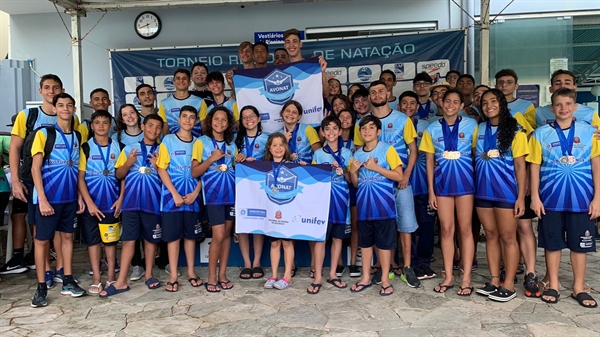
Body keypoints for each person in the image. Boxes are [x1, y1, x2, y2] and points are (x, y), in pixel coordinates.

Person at [5, 75, 80, 286]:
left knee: (61, 230)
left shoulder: (71, 119)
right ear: (40, 91)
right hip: (33, 182)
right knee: (41, 228)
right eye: (47, 87)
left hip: (62, 186)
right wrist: (17, 181)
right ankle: (45, 269)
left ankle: (61, 269)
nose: (51, 91)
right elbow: (14, 148)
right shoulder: (28, 115)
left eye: (55, 87)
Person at [528, 88, 598, 309]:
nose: (563, 108)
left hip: (582, 199)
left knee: (580, 245)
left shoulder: (590, 132)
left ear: (575, 106)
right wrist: (535, 198)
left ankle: (578, 286)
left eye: (568, 104)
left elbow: (597, 165)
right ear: (552, 108)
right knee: (553, 243)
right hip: (551, 199)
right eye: (559, 105)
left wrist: (598, 198)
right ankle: (554, 284)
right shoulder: (541, 133)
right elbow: (534, 167)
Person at [354, 81, 420, 288]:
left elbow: (413, 149)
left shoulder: (402, 119)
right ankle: (388, 267)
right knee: (380, 225)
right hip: (373, 185)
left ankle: (407, 267)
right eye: (372, 92)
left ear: (388, 94)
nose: (377, 94)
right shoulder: (363, 123)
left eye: (380, 91)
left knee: (406, 224)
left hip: (399, 178)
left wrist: (406, 174)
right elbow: (360, 153)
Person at [420, 89, 478, 296]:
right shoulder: (432, 129)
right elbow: (428, 161)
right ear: (441, 103)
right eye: (448, 101)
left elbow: (476, 153)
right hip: (442, 185)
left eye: (456, 102)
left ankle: (466, 278)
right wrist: (431, 191)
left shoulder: (472, 125)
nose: (451, 105)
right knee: (446, 230)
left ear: (462, 105)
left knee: (465, 230)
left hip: (465, 185)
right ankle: (448, 276)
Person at [31, 93, 87, 307]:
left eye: (69, 105)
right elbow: (36, 168)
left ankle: (68, 280)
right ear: (54, 109)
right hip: (48, 199)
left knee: (67, 239)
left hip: (69, 199)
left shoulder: (77, 137)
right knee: (42, 240)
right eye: (61, 105)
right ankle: (41, 288)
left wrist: (80, 197)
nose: (65, 108)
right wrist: (42, 199)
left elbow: (77, 171)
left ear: (74, 109)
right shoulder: (45, 133)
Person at [473, 89, 529, 302]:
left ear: (502, 103)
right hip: (483, 192)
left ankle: (508, 284)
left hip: (506, 193)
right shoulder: (478, 129)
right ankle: (494, 280)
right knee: (491, 236)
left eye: (493, 101)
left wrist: (521, 197)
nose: (489, 106)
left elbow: (520, 165)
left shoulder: (516, 129)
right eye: (485, 103)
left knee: (508, 237)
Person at [108, 114, 163, 297]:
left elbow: (167, 179)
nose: (153, 130)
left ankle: (149, 275)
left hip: (153, 202)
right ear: (143, 126)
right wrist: (129, 163)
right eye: (150, 126)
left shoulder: (163, 150)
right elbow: (119, 175)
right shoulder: (130, 149)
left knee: (150, 241)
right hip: (131, 203)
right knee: (129, 240)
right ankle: (121, 280)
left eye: (157, 127)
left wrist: (157, 167)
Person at [349, 115, 404, 296]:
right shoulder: (357, 154)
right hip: (364, 208)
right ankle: (365, 277)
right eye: (363, 128)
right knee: (365, 244)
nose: (367, 131)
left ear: (378, 132)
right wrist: (353, 173)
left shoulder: (387, 149)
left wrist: (376, 168)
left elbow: (399, 176)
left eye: (371, 128)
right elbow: (357, 184)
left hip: (384, 208)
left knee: (385, 245)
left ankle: (385, 280)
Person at [192, 106, 244, 292]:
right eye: (216, 119)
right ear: (210, 121)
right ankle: (212, 276)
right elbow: (195, 172)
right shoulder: (201, 142)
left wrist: (240, 161)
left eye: (224, 120)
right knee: (218, 236)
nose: (220, 123)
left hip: (230, 196)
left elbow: (234, 171)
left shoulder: (231, 145)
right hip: (213, 197)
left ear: (229, 123)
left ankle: (222, 274)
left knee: (227, 235)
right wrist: (211, 159)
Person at [494, 69, 536, 286]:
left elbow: (529, 144)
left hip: (519, 179)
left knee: (524, 225)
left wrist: (528, 178)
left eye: (509, 82)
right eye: (500, 82)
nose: (504, 86)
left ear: (516, 85)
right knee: (504, 230)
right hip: (498, 183)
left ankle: (530, 271)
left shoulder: (526, 109)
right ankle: (509, 265)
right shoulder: (490, 111)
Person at [157, 105, 204, 293]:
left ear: (196, 121)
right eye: (184, 116)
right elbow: (161, 169)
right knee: (173, 238)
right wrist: (174, 193)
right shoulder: (168, 140)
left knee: (191, 237)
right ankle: (174, 275)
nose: (188, 120)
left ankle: (191, 272)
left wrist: (196, 193)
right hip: (171, 199)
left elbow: (203, 172)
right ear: (178, 119)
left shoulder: (200, 143)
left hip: (192, 198)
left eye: (192, 117)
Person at [78, 110, 123, 295]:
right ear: (92, 126)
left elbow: (123, 177)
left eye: (105, 122)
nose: (102, 126)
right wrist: (89, 203)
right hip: (92, 204)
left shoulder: (119, 147)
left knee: (111, 242)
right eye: (98, 122)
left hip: (111, 203)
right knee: (93, 242)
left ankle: (111, 276)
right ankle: (97, 277)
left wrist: (121, 199)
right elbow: (80, 178)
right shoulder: (85, 148)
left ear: (111, 126)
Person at [309, 116, 353, 294]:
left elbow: (353, 180)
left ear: (340, 131)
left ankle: (333, 273)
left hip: (342, 202)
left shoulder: (348, 153)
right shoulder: (319, 154)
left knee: (338, 239)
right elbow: (312, 179)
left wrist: (345, 172)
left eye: (335, 128)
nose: (332, 132)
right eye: (327, 129)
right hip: (323, 202)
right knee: (321, 239)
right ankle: (318, 276)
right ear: (323, 132)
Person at [398, 91, 437, 280]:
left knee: (427, 225)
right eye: (404, 103)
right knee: (406, 227)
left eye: (412, 103)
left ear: (417, 106)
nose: (408, 106)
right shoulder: (396, 124)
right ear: (398, 106)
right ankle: (409, 262)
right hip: (402, 185)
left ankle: (424, 263)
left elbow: (434, 153)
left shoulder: (427, 127)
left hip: (423, 184)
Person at [234, 105, 268, 280]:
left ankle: (257, 263)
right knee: (243, 225)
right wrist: (236, 159)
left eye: (251, 116)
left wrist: (259, 162)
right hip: (240, 187)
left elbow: (274, 160)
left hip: (261, 188)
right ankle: (246, 263)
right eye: (244, 117)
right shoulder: (234, 140)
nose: (248, 119)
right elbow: (227, 162)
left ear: (259, 118)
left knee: (257, 223)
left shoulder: (267, 138)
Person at [262, 133, 297, 290]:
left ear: (286, 147)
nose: (278, 148)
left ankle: (287, 276)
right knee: (274, 243)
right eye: (274, 145)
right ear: (269, 148)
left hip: (288, 211)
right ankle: (274, 275)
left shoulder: (292, 165)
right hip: (271, 211)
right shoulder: (263, 167)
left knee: (287, 243)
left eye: (281, 145)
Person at [338, 109, 360, 277]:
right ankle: (338, 262)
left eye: (348, 117)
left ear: (353, 121)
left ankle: (353, 262)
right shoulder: (329, 142)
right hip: (337, 190)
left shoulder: (357, 143)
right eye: (341, 117)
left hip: (353, 187)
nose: (345, 119)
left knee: (354, 226)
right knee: (337, 226)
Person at [283, 28, 329, 98]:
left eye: (294, 41)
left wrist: (322, 72)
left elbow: (325, 94)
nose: (291, 45)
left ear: (300, 44)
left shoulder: (312, 66)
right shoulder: (282, 71)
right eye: (288, 42)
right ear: (285, 45)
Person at [158, 68, 203, 137]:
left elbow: (204, 128)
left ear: (189, 83)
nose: (181, 80)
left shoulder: (200, 101)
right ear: (174, 82)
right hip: (173, 146)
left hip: (195, 144)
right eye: (178, 78)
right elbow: (165, 130)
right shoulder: (164, 103)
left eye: (184, 78)